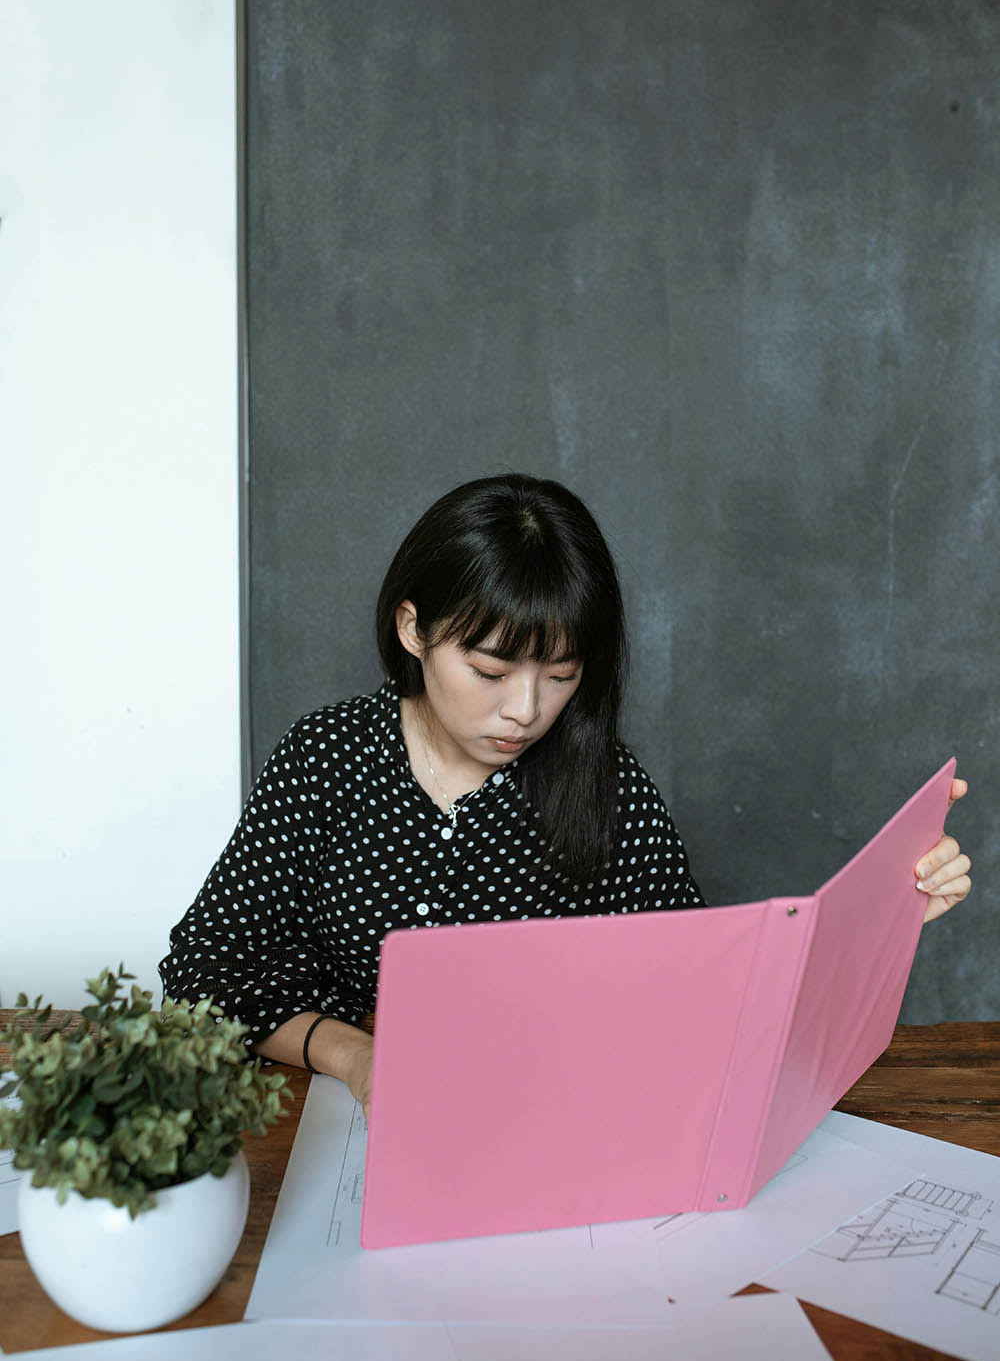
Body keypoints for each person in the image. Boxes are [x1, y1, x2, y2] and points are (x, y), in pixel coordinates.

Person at [159, 474, 972, 1116]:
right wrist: (354, 1055)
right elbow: (205, 968)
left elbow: (703, 995)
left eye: (561, 676)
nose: (525, 710)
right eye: (489, 670)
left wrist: (884, 918)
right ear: (413, 630)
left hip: (559, 1123)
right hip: (345, 1125)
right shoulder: (327, 758)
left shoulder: (609, 788)